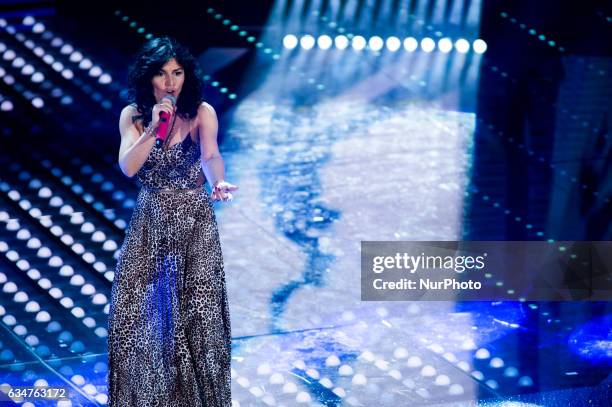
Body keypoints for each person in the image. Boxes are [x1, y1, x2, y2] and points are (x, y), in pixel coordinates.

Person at [107, 36, 237, 407]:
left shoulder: (202, 113)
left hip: (194, 223)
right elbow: (129, 167)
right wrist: (155, 126)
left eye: (177, 73)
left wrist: (219, 181)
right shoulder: (132, 116)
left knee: (197, 316)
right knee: (133, 313)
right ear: (149, 78)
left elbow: (211, 156)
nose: (170, 82)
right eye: (163, 74)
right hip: (151, 221)